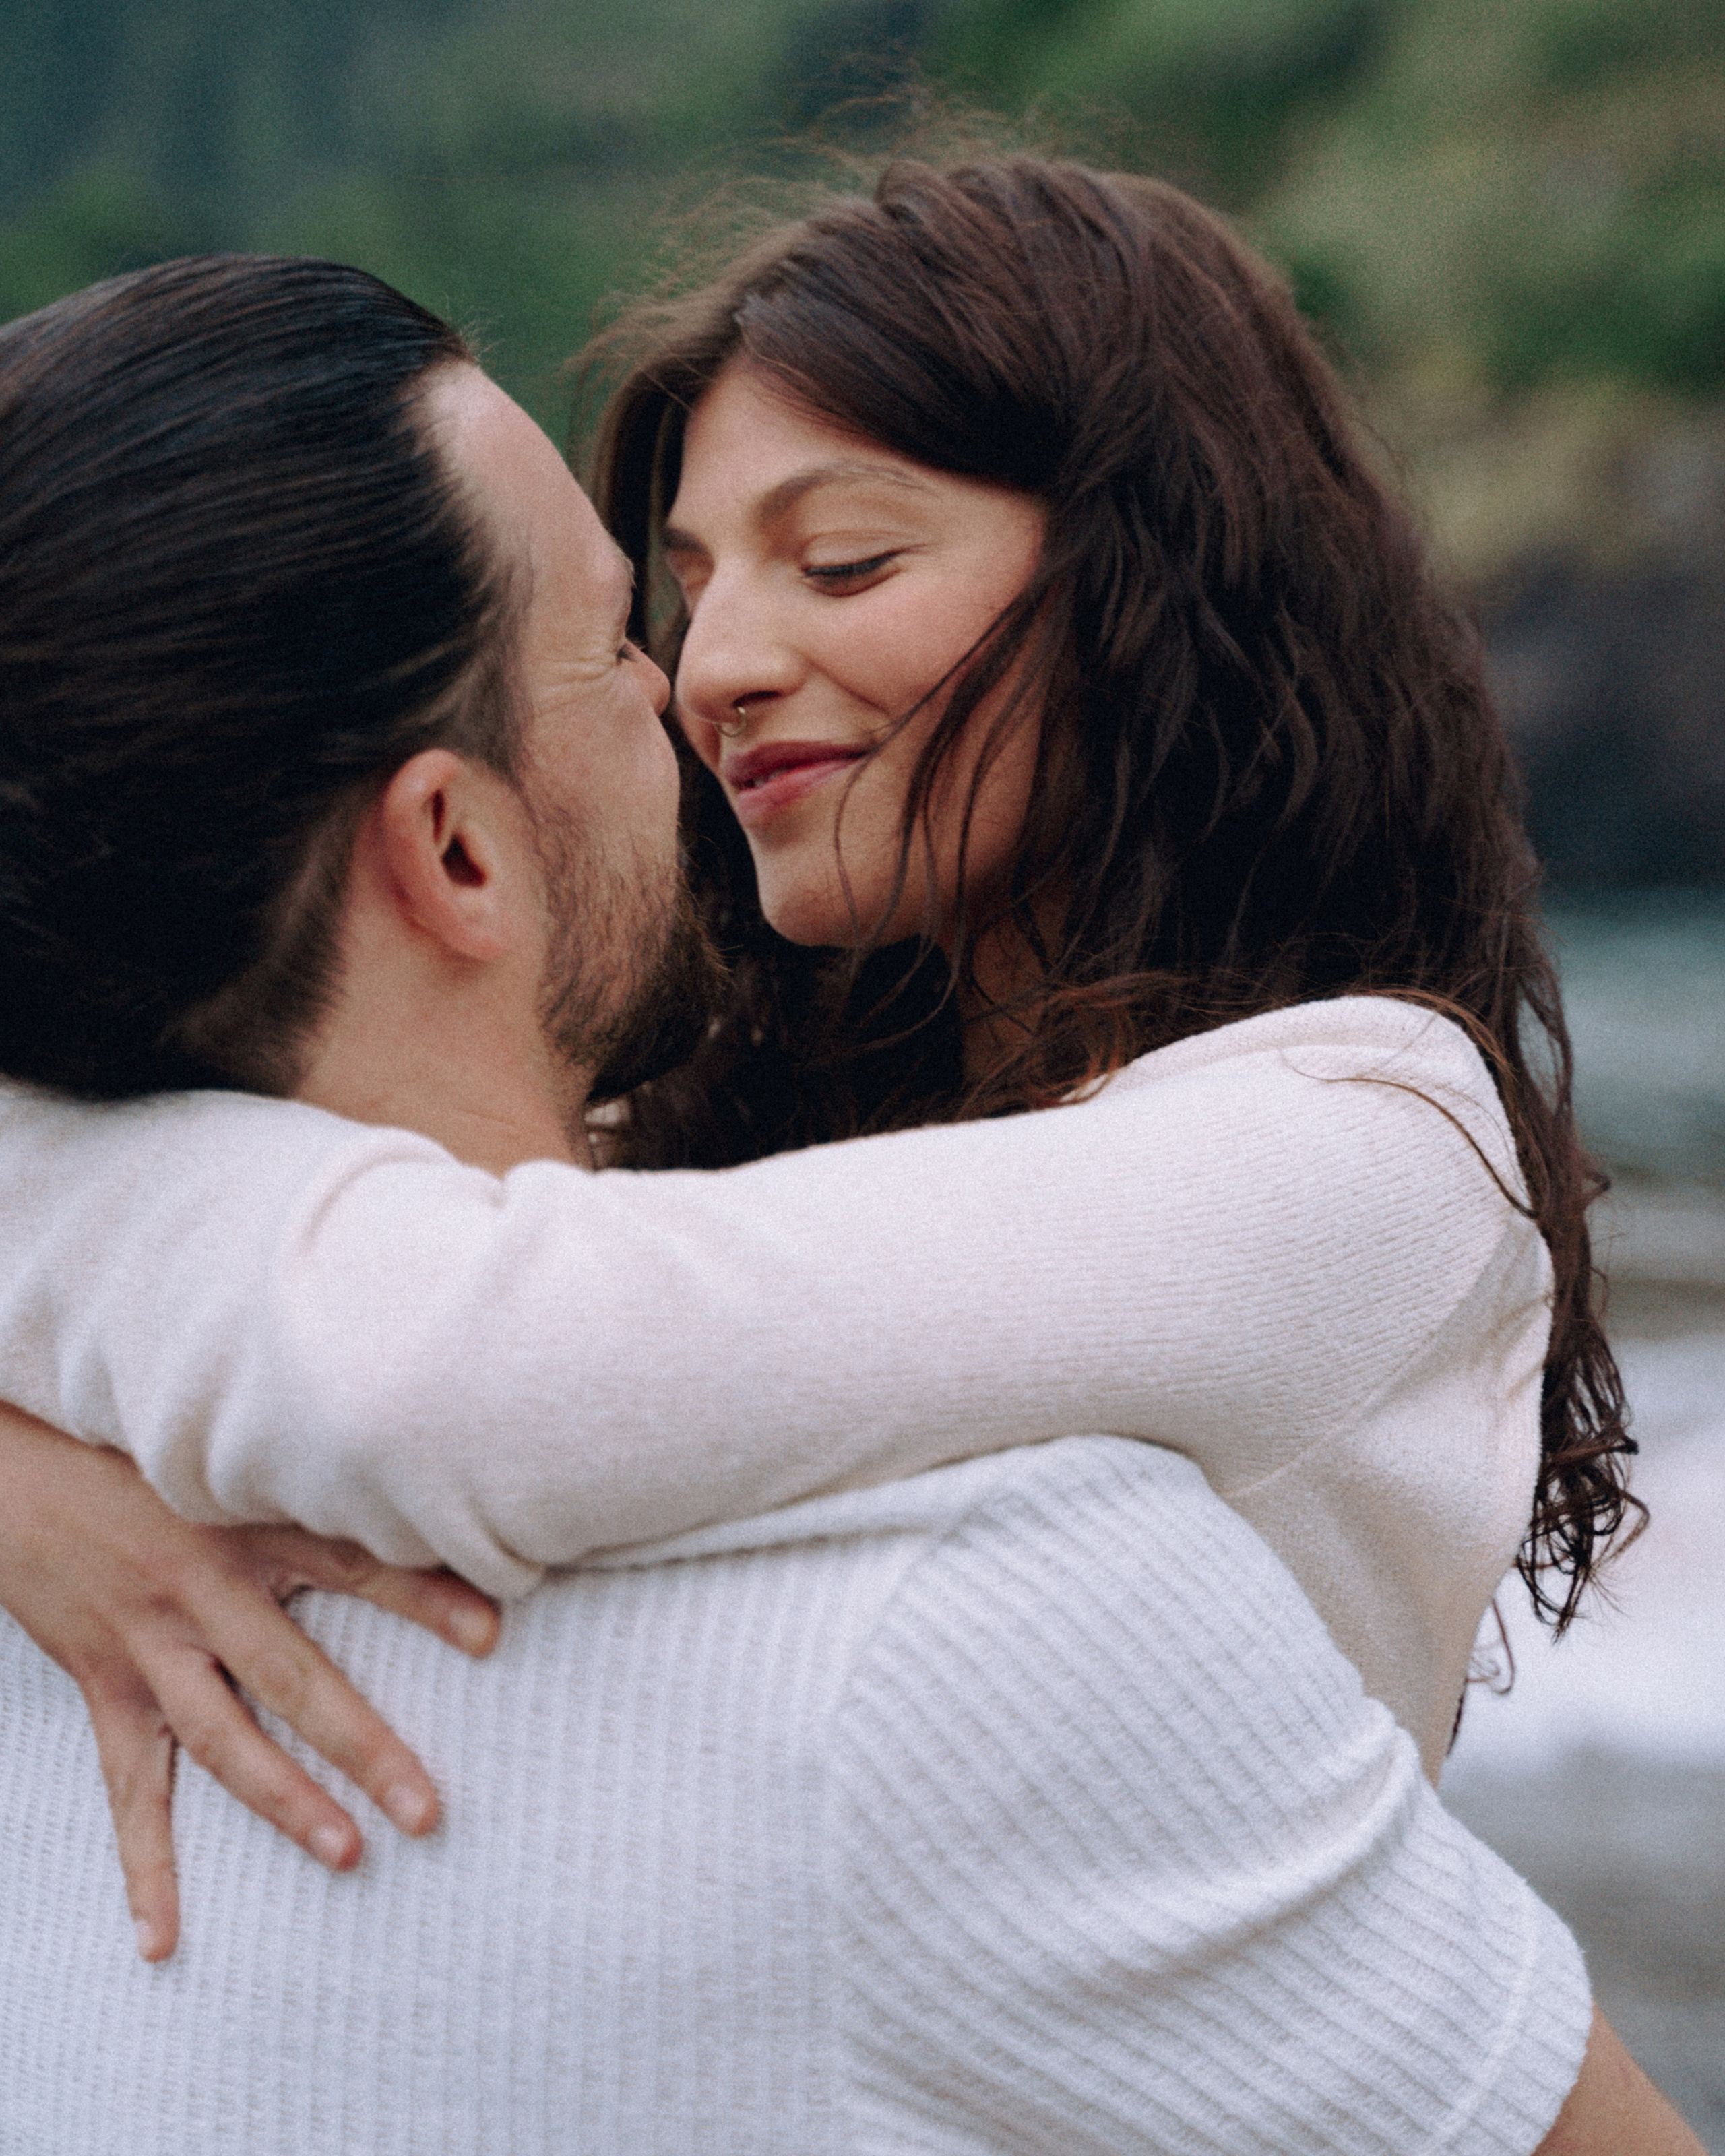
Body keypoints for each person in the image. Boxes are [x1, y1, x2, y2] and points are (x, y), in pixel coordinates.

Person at [0, 212, 1691, 2148]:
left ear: (1152, 586)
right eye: (673, 598)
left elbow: (456, 1350)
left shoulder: (1364, 1140)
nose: (712, 667)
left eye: (846, 561)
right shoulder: (771, 1119)